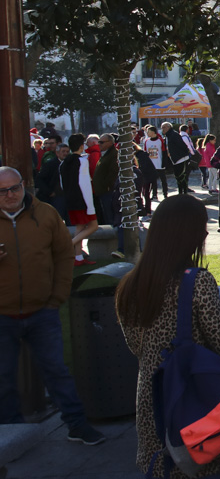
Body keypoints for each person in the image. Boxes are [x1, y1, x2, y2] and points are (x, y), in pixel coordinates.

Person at [114, 195, 220, 477]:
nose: (206, 234)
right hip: (198, 402)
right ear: (188, 235)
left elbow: (136, 346)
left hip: (153, 401)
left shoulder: (130, 284)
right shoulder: (196, 282)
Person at [0, 167, 105, 445]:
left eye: (15, 188)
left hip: (42, 310)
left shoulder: (45, 214)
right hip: (2, 315)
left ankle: (76, 424)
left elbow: (63, 255)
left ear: (23, 186)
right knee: (3, 377)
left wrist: (57, 296)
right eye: (3, 191)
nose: (11, 194)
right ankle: (11, 434)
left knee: (57, 371)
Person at [59, 134, 99, 265]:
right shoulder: (82, 161)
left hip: (70, 198)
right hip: (82, 199)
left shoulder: (63, 163)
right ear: (82, 146)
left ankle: (78, 257)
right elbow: (84, 184)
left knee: (80, 227)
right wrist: (89, 204)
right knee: (93, 225)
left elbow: (61, 183)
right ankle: (68, 247)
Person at [161, 122, 193, 195]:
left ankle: (184, 193)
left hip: (181, 158)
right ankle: (180, 192)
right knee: (177, 177)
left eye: (164, 127)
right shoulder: (167, 136)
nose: (162, 129)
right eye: (162, 128)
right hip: (174, 159)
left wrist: (184, 154)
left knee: (182, 176)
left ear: (168, 127)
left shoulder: (174, 134)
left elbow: (182, 145)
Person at [143, 125, 168, 200]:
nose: (147, 133)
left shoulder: (160, 140)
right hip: (151, 165)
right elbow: (145, 152)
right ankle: (154, 195)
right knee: (153, 181)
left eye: (149, 131)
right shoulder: (147, 141)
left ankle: (165, 194)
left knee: (163, 180)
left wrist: (164, 163)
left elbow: (164, 152)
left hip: (159, 164)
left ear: (153, 132)